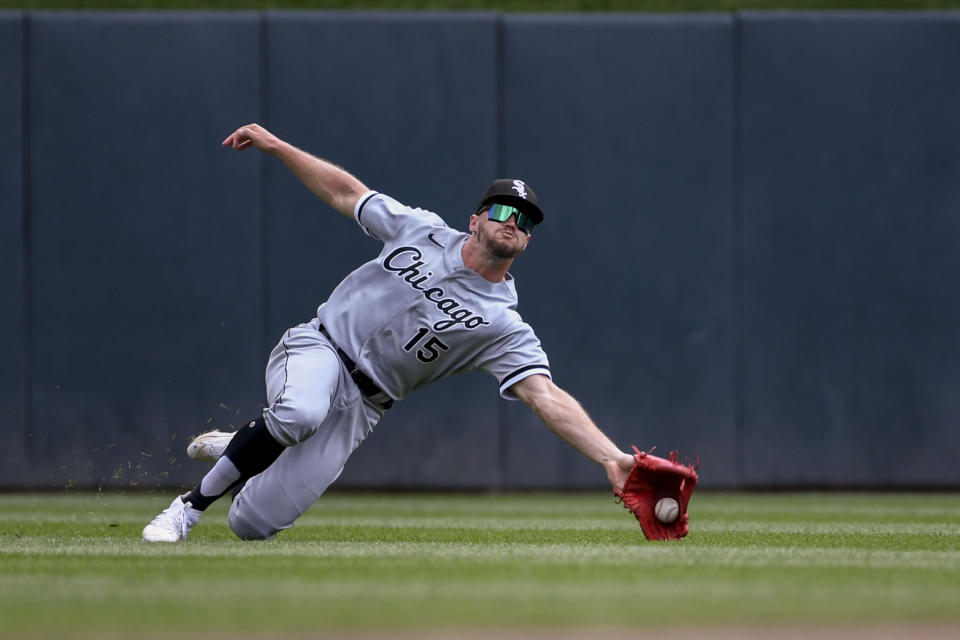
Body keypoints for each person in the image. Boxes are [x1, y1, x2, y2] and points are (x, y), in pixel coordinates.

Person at [142, 123, 637, 542]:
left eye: (526, 221)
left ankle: (245, 445)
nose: (515, 222)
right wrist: (278, 147)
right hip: (321, 347)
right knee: (298, 412)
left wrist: (611, 457)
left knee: (250, 523)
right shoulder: (419, 230)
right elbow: (344, 192)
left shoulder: (503, 324)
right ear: (475, 220)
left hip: (365, 405)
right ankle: (187, 509)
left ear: (528, 241)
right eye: (504, 210)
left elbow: (546, 397)